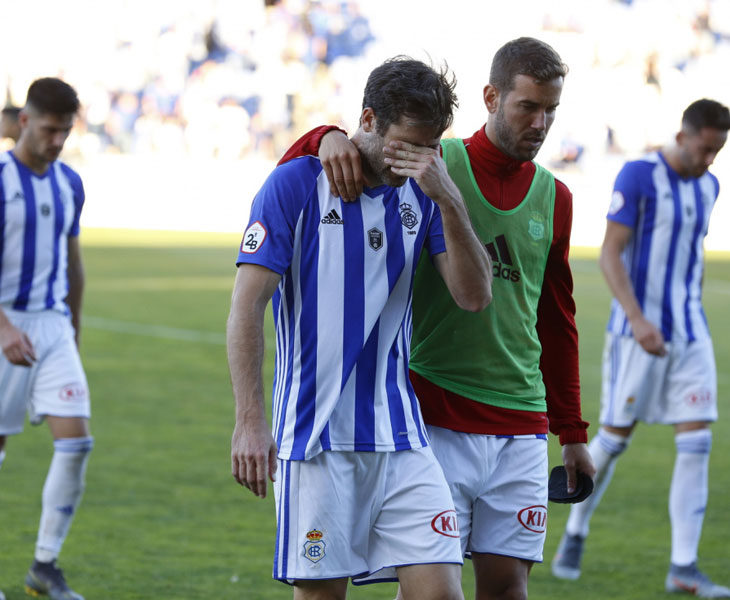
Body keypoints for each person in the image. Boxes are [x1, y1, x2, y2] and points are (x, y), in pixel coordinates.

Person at [278, 37, 595, 600]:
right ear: (492, 97)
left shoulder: (556, 196)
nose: (540, 122)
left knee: (507, 589)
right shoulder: (431, 159)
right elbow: (338, 158)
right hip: (437, 407)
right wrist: (322, 135)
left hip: (521, 416)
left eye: (551, 110)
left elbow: (556, 318)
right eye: (528, 106)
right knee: (428, 585)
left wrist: (571, 430)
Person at [227, 56, 492, 600]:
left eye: (428, 146)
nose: (415, 159)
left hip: (401, 436)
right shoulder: (295, 185)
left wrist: (449, 198)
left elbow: (474, 295)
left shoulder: (426, 190)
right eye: (405, 144)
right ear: (368, 121)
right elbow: (246, 306)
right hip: (316, 437)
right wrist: (250, 422)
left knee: (441, 593)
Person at [552, 99, 730, 597]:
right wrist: (637, 317)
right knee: (613, 440)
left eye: (719, 151)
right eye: (705, 148)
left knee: (697, 442)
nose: (710, 160)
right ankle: (576, 530)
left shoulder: (709, 187)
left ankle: (683, 567)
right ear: (684, 134)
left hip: (691, 334)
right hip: (635, 334)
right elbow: (610, 253)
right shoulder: (638, 176)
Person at [0, 78, 91, 600]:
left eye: (66, 131)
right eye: (51, 130)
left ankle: (44, 565)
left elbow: (74, 263)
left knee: (76, 442)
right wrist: (4, 329)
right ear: (25, 121)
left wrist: (73, 332)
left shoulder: (70, 183)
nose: (58, 141)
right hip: (4, 322)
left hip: (53, 327)